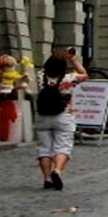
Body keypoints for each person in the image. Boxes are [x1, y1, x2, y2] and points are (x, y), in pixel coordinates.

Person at [34, 47, 88, 190]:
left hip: (42, 116)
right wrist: (73, 59)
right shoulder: (68, 78)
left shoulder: (40, 76)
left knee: (44, 149)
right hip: (63, 115)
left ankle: (47, 178)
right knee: (63, 146)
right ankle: (57, 171)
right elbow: (84, 74)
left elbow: (45, 69)